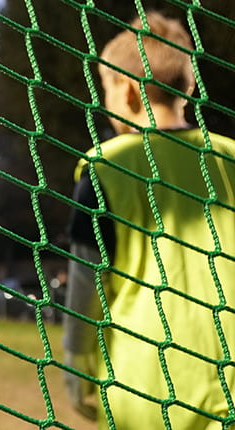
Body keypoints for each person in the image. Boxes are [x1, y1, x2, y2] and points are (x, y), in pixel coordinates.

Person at [63, 12, 235, 429]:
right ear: (188, 87)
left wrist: (75, 360)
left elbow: (86, 278)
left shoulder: (106, 165)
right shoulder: (230, 157)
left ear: (126, 90)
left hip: (143, 382)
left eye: (104, 88)